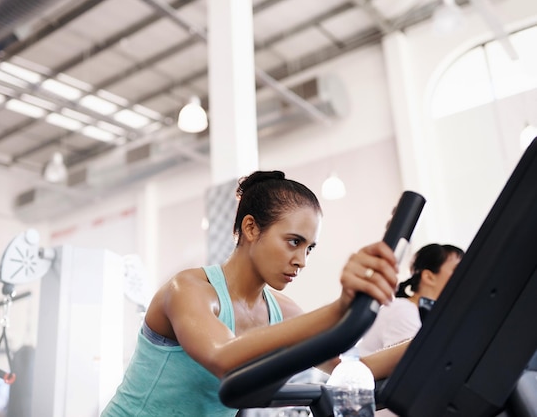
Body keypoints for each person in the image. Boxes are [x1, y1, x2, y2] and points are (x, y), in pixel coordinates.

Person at [101, 170, 400, 417]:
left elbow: (348, 370)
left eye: (309, 248)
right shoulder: (189, 290)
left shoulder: (282, 311)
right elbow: (223, 357)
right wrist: (340, 308)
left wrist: (438, 332)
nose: (302, 260)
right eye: (293, 241)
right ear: (251, 228)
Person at [357, 243, 464, 357]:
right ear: (429, 277)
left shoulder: (425, 317)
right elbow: (416, 363)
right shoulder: (403, 310)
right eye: (457, 270)